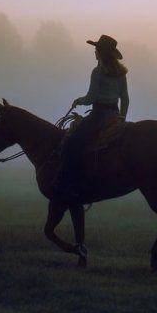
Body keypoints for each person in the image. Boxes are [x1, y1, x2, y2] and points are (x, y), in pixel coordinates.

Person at [56, 34, 129, 202]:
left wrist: (78, 101)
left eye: (96, 50)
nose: (94, 52)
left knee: (72, 142)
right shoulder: (121, 73)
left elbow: (90, 98)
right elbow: (125, 98)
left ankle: (70, 184)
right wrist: (122, 117)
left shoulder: (97, 72)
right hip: (114, 114)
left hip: (99, 115)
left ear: (102, 53)